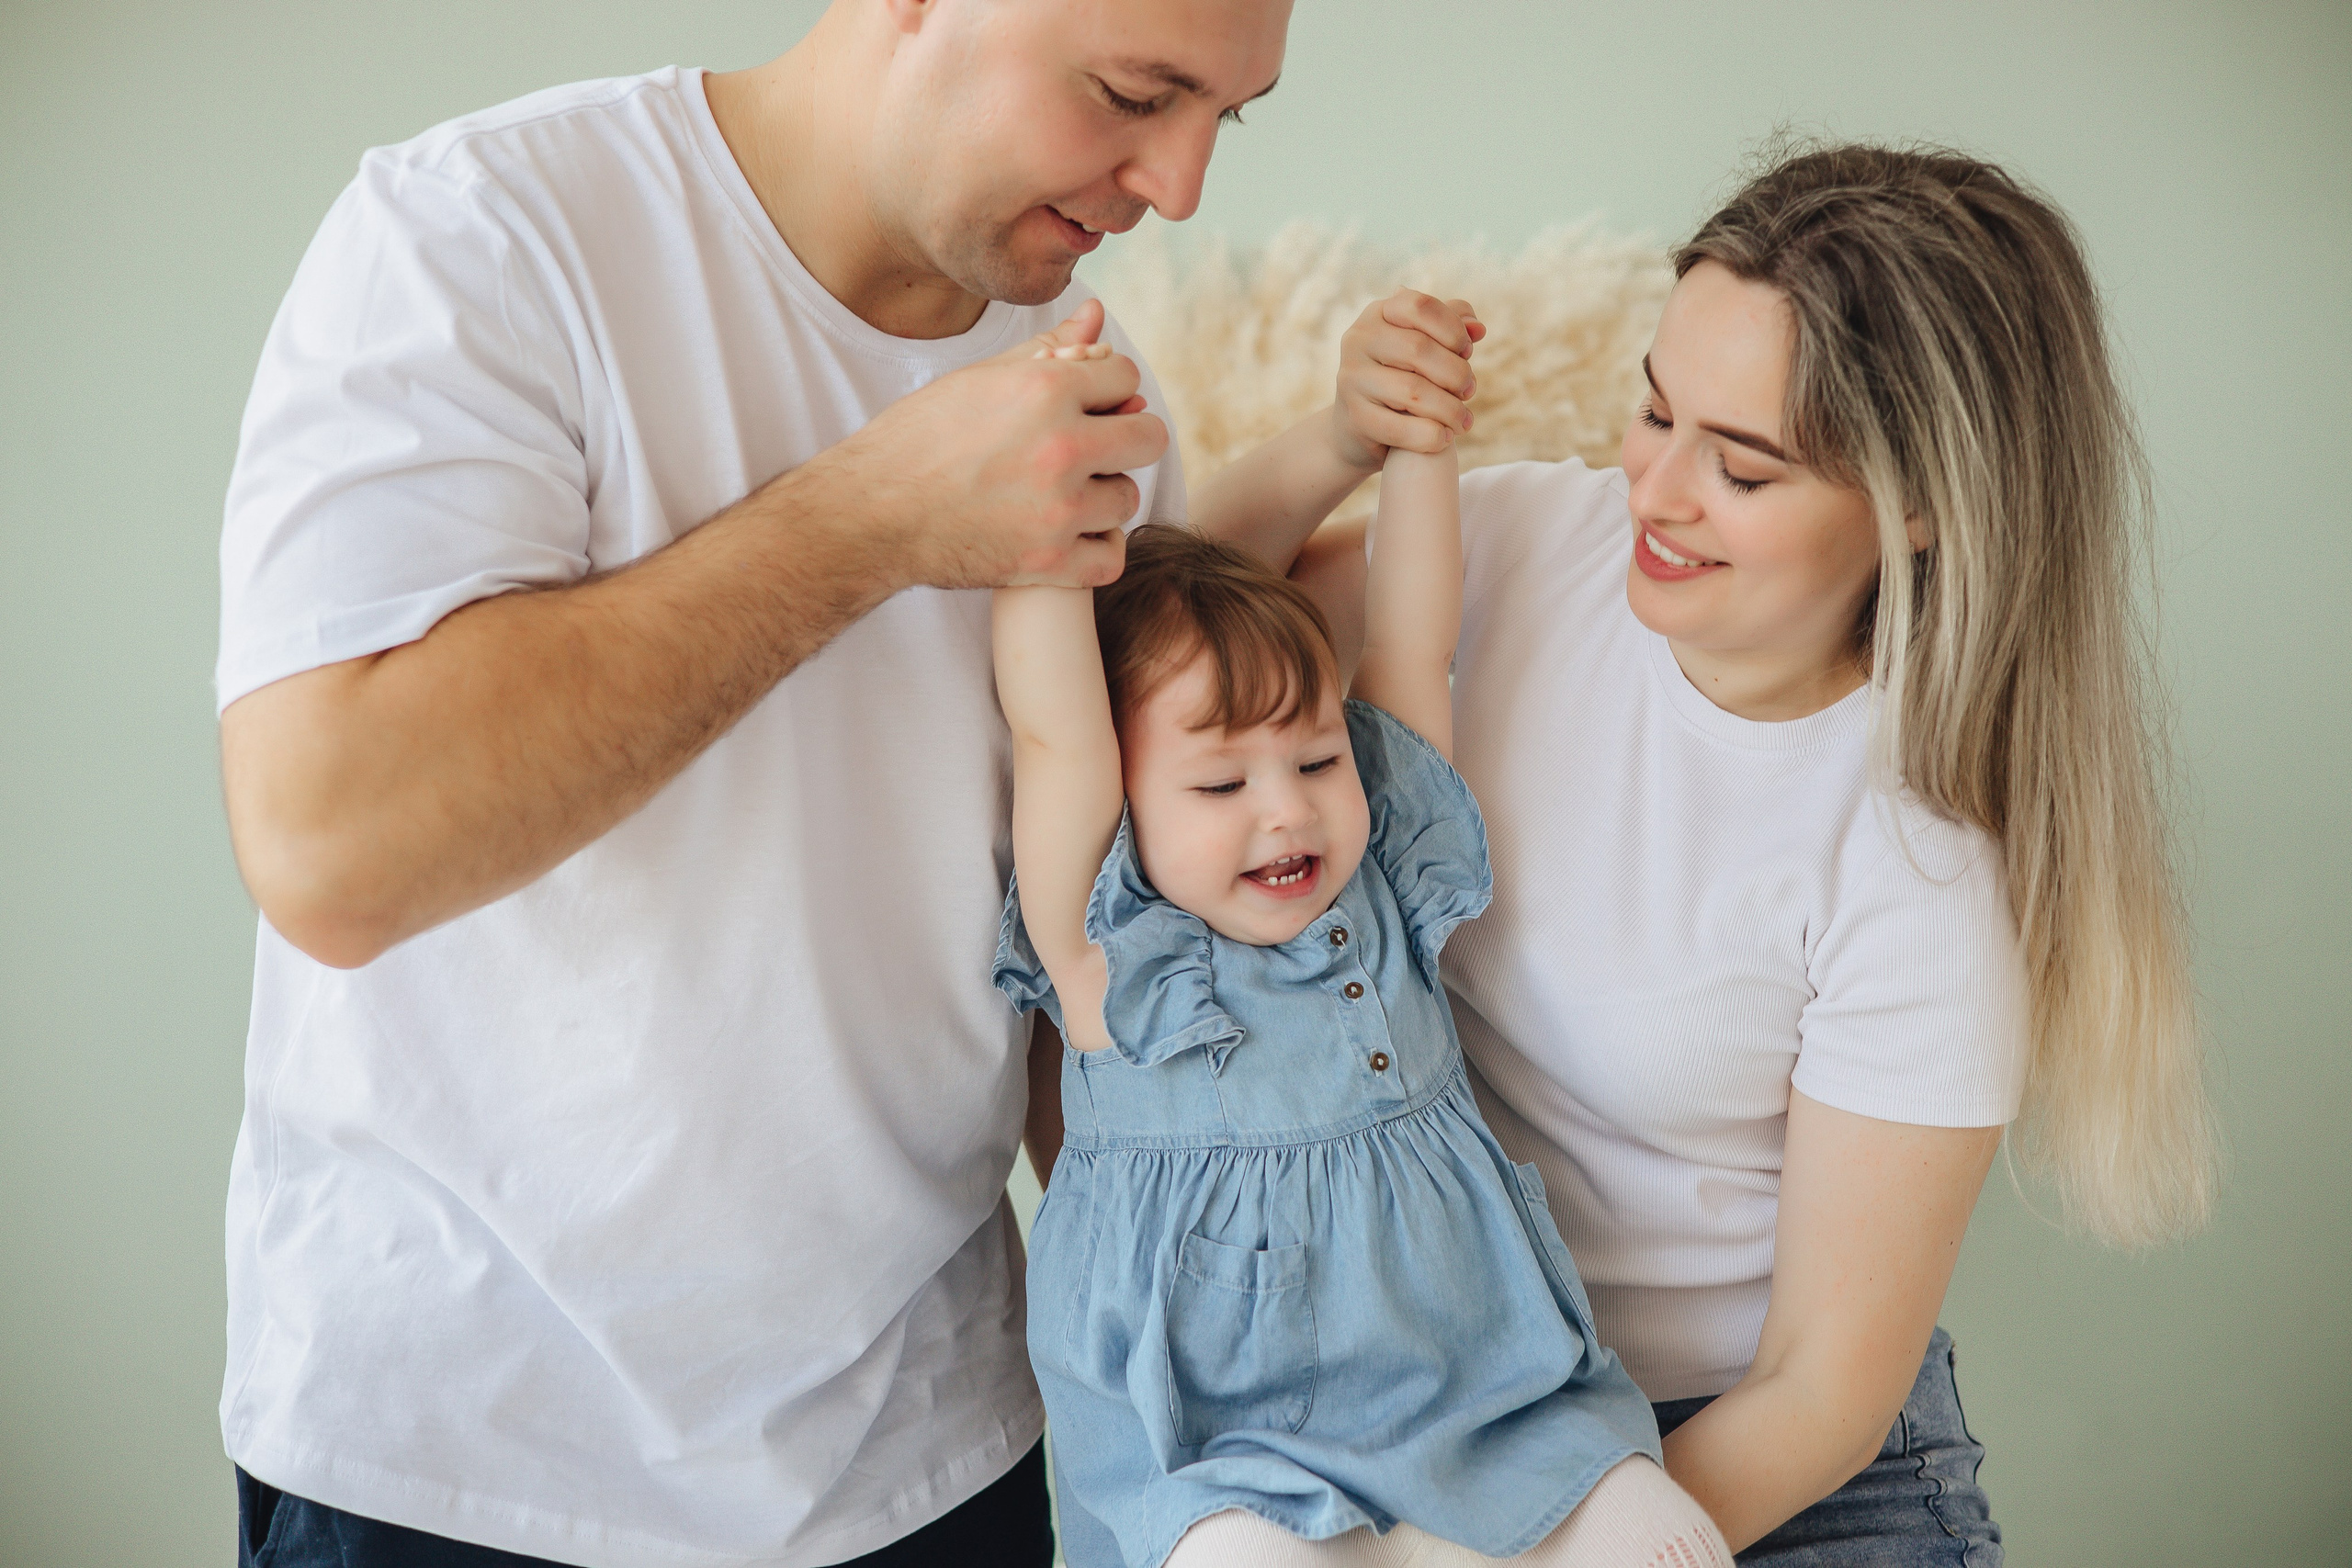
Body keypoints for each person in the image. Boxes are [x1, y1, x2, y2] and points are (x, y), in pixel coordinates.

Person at [200, 1, 1493, 1563]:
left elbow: (1076, 949)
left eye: (1230, 116)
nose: (1179, 186)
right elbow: (335, 846)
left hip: (933, 1462)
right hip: (475, 1468)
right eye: (1136, 94)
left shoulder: (1089, 382)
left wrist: (1233, 1405)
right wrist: (877, 517)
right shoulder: (489, 236)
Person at [1278, 144, 2218, 1562]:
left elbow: (1821, 1394)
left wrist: (1510, 1552)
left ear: (1917, 506)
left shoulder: (1918, 865)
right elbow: (1181, 643)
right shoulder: (1537, 546)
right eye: (1657, 412)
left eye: (1745, 465)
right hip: (1458, 1418)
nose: (1653, 489)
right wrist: (1335, 442)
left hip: (1766, 1475)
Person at [989, 334, 1734, 1568]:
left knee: (1673, 1537)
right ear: (1125, 799)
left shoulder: (1384, 872)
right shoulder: (1107, 947)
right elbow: (1054, 724)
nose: (1287, 811)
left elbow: (1412, 641)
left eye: (1318, 760)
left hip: (1472, 1393)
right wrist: (1045, 495)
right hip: (1224, 1444)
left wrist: (1423, 446)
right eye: (1222, 780)